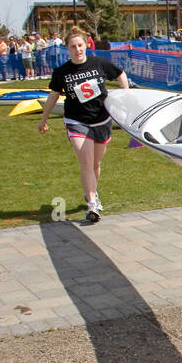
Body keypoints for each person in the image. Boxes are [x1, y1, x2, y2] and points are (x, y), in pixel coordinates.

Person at [38, 26, 126, 222]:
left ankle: (91, 193)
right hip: (76, 121)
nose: (77, 50)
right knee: (86, 162)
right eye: (72, 47)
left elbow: (120, 74)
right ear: (67, 49)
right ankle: (92, 205)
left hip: (102, 120)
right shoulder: (62, 72)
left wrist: (125, 96)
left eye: (80, 45)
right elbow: (53, 95)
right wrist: (43, 119)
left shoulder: (99, 64)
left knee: (95, 164)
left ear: (86, 45)